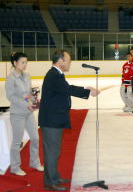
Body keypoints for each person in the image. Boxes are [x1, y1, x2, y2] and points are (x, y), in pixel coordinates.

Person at [38, 50, 99, 191]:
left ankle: (53, 177)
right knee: (52, 152)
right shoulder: (54, 75)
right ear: (60, 61)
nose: (70, 63)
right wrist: (88, 91)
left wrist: (87, 90)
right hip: (51, 120)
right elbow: (68, 89)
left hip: (54, 118)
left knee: (54, 151)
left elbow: (64, 90)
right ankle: (51, 182)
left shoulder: (56, 74)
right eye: (68, 60)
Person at [5, 52, 43, 176]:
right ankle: (15, 167)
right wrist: (25, 104)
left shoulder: (27, 76)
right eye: (22, 62)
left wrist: (34, 100)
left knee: (35, 138)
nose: (25, 64)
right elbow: (10, 97)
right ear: (15, 63)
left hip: (28, 113)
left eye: (26, 62)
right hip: (17, 114)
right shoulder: (11, 78)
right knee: (17, 142)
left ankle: (34, 162)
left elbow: (27, 94)